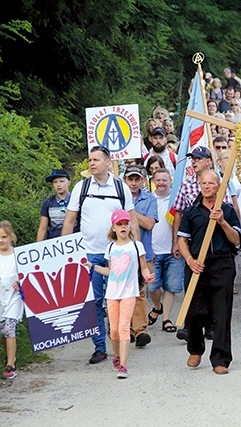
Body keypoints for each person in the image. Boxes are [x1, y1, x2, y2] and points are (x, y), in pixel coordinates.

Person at [62, 145, 137, 365]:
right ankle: (100, 347)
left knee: (118, 298)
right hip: (90, 253)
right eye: (89, 160)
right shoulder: (81, 187)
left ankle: (119, 338)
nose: (92, 163)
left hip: (118, 253)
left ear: (107, 162)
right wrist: (67, 252)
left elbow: (131, 220)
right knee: (94, 301)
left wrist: (136, 251)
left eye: (96, 159)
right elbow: (69, 221)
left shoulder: (120, 187)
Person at [177, 170, 241, 375]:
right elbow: (181, 240)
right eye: (203, 183)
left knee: (222, 313)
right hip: (197, 265)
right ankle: (195, 348)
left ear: (218, 186)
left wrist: (222, 221)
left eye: (211, 183)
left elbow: (236, 240)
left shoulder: (228, 211)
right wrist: (189, 260)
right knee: (195, 311)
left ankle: (220, 358)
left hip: (222, 265)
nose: (206, 186)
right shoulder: (191, 211)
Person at [86, 210, 154, 379]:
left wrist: (147, 276)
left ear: (130, 225)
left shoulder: (137, 246)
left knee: (124, 328)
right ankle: (116, 357)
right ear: (114, 228)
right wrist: (92, 267)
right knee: (114, 330)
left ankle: (123, 365)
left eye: (125, 223)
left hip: (129, 292)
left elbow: (143, 267)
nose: (123, 227)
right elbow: (111, 271)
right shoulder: (110, 247)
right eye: (119, 224)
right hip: (112, 293)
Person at [124, 166, 158, 347]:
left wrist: (130, 212)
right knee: (123, 291)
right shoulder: (118, 198)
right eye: (130, 179)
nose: (134, 183)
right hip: (122, 253)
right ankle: (127, 329)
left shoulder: (149, 199)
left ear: (143, 181)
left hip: (144, 251)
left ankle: (140, 330)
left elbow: (149, 224)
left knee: (140, 291)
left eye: (137, 179)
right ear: (125, 181)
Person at [0, 221, 23, 379]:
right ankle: (10, 355)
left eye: (4, 237)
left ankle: (10, 365)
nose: (1, 240)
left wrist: (20, 282)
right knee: (3, 330)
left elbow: (25, 274)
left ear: (11, 237)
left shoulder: (18, 255)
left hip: (14, 297)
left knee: (9, 327)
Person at [149, 168, 184, 333]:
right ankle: (157, 307)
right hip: (153, 251)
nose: (161, 183)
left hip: (172, 249)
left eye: (165, 180)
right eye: (158, 180)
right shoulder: (148, 199)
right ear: (153, 181)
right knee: (152, 286)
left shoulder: (177, 200)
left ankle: (167, 319)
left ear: (170, 181)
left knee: (171, 286)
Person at [37, 169, 76, 241]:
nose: (58, 184)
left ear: (69, 182)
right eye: (55, 182)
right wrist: (37, 247)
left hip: (74, 242)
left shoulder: (76, 201)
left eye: (61, 181)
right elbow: (42, 228)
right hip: (54, 243)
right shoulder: (48, 203)